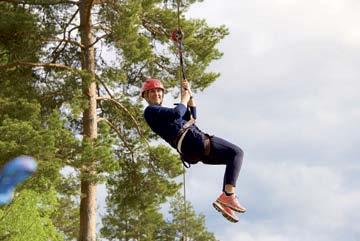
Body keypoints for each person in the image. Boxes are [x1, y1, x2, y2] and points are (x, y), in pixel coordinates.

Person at [141, 78, 246, 223]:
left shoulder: (164, 113)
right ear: (145, 96)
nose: (156, 94)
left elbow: (192, 117)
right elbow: (177, 113)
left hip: (193, 150)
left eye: (159, 91)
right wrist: (184, 98)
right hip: (193, 141)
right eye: (152, 91)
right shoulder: (151, 111)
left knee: (231, 158)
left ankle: (225, 201)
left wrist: (189, 95)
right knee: (237, 152)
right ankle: (228, 195)